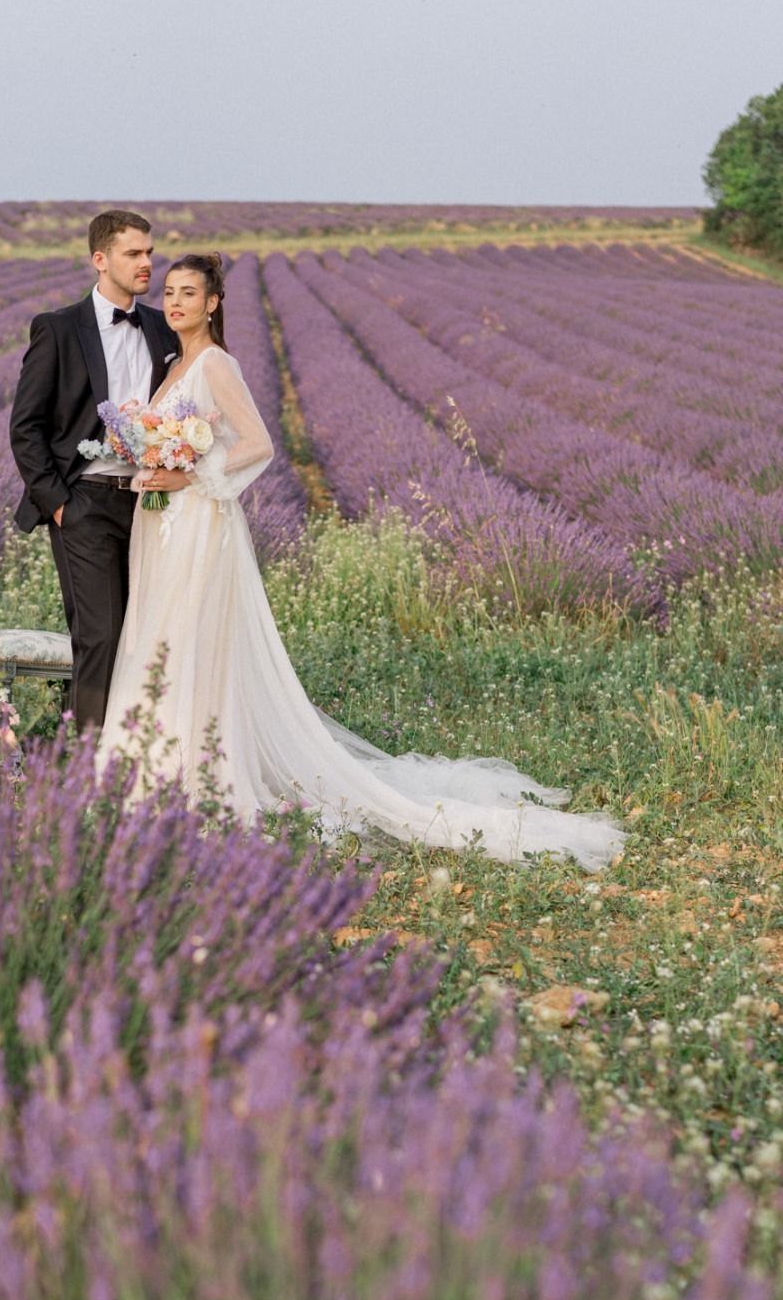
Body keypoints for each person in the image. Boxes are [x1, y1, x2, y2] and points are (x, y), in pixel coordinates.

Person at [98, 252, 625, 870]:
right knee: (159, 636)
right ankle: (151, 765)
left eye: (190, 292)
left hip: (197, 523)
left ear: (214, 304)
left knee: (187, 640)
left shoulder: (214, 362)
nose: (177, 301)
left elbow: (259, 443)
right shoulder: (174, 364)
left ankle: (189, 771)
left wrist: (188, 479)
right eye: (171, 291)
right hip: (164, 528)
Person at [9, 210, 179, 730]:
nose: (147, 263)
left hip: (155, 503)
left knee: (147, 633)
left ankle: (140, 753)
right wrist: (59, 504)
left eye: (149, 252)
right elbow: (26, 426)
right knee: (100, 634)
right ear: (100, 260)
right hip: (85, 502)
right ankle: (88, 764)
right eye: (134, 253)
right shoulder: (59, 329)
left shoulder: (163, 326)